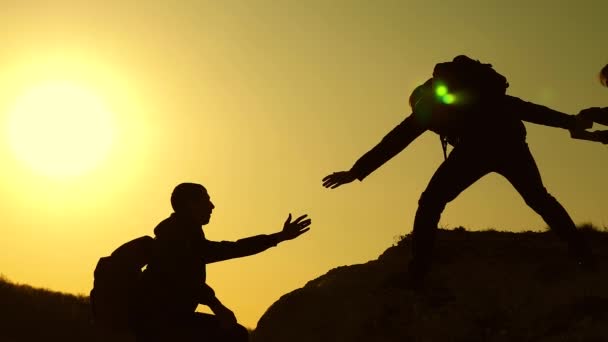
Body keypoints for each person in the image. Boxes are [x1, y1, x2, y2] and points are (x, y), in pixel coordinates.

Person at [322, 57, 595, 288]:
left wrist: (356, 171)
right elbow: (526, 109)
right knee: (539, 198)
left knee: (430, 202)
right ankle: (582, 252)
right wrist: (569, 121)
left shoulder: (428, 108)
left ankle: (418, 272)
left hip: (474, 151)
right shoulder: (484, 95)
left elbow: (394, 142)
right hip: (511, 145)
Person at [132, 182, 311, 342]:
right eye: (206, 200)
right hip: (158, 322)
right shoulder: (177, 236)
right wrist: (217, 306)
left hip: (166, 318)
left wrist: (278, 237)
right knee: (234, 335)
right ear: (190, 205)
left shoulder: (183, 233)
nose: (212, 206)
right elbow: (185, 280)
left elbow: (230, 249)